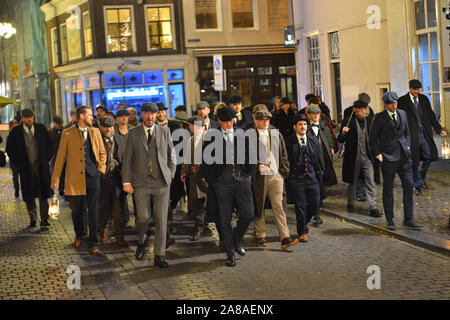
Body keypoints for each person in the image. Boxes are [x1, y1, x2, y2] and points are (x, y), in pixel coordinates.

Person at [122, 102, 176, 268]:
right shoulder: (133, 134)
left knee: (161, 219)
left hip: (161, 183)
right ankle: (141, 240)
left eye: (153, 114)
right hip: (140, 183)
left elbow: (171, 156)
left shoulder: (165, 131)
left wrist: (170, 175)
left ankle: (159, 254)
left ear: (157, 115)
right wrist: (126, 181)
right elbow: (127, 160)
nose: (150, 117)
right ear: (142, 114)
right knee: (143, 218)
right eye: (147, 114)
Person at [201, 106, 257, 267]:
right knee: (224, 219)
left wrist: (249, 176)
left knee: (248, 214)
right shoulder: (212, 136)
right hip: (221, 183)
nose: (228, 124)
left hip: (242, 180)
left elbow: (251, 156)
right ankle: (230, 252)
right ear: (219, 121)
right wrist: (214, 182)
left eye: (231, 121)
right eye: (225, 122)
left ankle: (237, 239)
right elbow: (206, 162)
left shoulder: (242, 134)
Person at [51, 106, 107, 255]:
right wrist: (55, 178)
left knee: (94, 212)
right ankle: (79, 235)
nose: (92, 118)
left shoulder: (95, 131)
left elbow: (102, 152)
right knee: (76, 211)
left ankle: (93, 243)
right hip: (74, 179)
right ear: (81, 116)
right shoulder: (67, 133)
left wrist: (100, 170)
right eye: (89, 115)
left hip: (93, 177)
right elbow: (60, 157)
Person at [369, 92, 421, 230]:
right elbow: (372, 140)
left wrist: (408, 145)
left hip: (404, 157)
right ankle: (390, 219)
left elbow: (407, 132)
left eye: (395, 103)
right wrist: (379, 155)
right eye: (391, 103)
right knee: (388, 189)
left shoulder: (403, 114)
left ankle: (409, 218)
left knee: (409, 186)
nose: (394, 105)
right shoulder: (379, 118)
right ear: (385, 104)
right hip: (388, 158)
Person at [251, 105, 298, 249]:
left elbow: (284, 153)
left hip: (276, 175)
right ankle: (260, 235)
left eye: (267, 119)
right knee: (258, 206)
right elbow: (247, 156)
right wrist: (257, 166)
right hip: (259, 177)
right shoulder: (250, 135)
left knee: (279, 206)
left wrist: (283, 171)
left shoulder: (276, 134)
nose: (265, 122)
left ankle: (285, 237)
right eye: (262, 119)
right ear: (256, 120)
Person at [397, 79, 447, 196]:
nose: (416, 91)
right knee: (414, 161)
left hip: (424, 134)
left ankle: (420, 178)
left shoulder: (424, 99)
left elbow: (431, 115)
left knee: (429, 156)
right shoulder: (402, 101)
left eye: (418, 89)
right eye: (414, 89)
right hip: (411, 136)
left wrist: (439, 129)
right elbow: (399, 120)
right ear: (410, 88)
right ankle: (418, 185)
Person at [6, 109, 53, 228]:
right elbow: (9, 149)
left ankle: (44, 219)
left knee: (43, 194)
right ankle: (33, 218)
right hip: (26, 168)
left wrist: (45, 158)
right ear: (22, 118)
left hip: (41, 167)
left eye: (31, 117)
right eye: (26, 117)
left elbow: (50, 145)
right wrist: (19, 163)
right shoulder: (16, 132)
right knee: (29, 194)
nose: (29, 120)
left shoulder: (41, 129)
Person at [285, 113, 324, 242]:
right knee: (300, 205)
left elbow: (319, 160)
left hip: (312, 177)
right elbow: (286, 160)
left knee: (315, 203)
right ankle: (302, 232)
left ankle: (305, 221)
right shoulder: (288, 142)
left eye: (305, 124)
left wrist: (320, 175)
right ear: (295, 126)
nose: (303, 127)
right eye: (300, 124)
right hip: (296, 179)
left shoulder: (313, 141)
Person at [339, 100, 381, 217]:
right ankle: (350, 203)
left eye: (365, 108)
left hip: (367, 157)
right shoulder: (348, 122)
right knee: (353, 181)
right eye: (361, 109)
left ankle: (373, 207)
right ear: (355, 109)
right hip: (353, 157)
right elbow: (340, 140)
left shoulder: (368, 121)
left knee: (370, 180)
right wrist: (343, 133)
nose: (364, 111)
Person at [97, 117, 128, 247]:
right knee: (103, 208)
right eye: (106, 127)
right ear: (101, 127)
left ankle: (119, 236)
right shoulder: (97, 141)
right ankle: (102, 232)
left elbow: (124, 157)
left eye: (110, 127)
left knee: (118, 210)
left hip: (117, 180)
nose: (109, 129)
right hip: (102, 180)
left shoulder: (118, 140)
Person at [306, 104, 337, 225]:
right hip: (311, 162)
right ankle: (316, 214)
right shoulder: (305, 127)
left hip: (324, 160)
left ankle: (316, 209)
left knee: (321, 186)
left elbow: (329, 139)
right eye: (313, 114)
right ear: (308, 115)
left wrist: (331, 149)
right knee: (314, 188)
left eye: (317, 113)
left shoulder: (323, 126)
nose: (316, 116)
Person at [181, 116, 209, 241]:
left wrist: (200, 167)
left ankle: (209, 224)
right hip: (195, 178)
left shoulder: (210, 139)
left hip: (207, 177)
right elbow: (187, 157)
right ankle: (199, 227)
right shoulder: (191, 140)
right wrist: (184, 172)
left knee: (211, 203)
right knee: (197, 205)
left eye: (191, 126)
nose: (189, 128)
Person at [7, 119, 20, 198]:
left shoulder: (22, 135)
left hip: (21, 160)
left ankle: (21, 191)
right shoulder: (10, 136)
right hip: (14, 161)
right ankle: (17, 191)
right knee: (15, 177)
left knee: (22, 177)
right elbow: (8, 149)